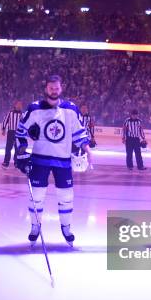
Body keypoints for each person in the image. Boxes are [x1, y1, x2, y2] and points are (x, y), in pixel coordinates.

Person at [15, 75, 92, 246]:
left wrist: (87, 148)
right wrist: (21, 151)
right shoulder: (34, 108)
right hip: (39, 160)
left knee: (66, 197)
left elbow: (78, 132)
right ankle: (35, 227)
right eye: (51, 88)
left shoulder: (71, 109)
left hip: (63, 160)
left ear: (61, 88)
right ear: (46, 89)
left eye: (57, 88)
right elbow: (21, 132)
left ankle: (66, 228)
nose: (54, 91)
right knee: (36, 196)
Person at [1, 100, 23, 168]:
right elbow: (5, 121)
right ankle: (6, 162)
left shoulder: (22, 114)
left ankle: (17, 162)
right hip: (11, 132)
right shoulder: (10, 113)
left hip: (19, 133)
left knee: (18, 148)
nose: (19, 106)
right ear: (15, 105)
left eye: (21, 105)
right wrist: (3, 129)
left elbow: (24, 124)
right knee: (8, 148)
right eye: (18, 104)